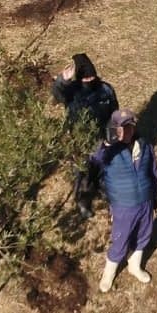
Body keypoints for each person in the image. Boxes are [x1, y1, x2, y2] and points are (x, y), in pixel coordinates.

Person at [87, 109, 157, 293]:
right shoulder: (107, 150)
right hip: (123, 205)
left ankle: (135, 265)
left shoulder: (144, 144)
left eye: (129, 127)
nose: (126, 131)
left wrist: (155, 196)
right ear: (114, 128)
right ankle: (108, 274)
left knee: (144, 234)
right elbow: (93, 165)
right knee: (121, 238)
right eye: (121, 128)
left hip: (145, 201)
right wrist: (107, 144)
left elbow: (154, 172)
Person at [51, 53, 119, 217]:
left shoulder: (105, 89)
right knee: (83, 173)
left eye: (92, 77)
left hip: (102, 139)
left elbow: (114, 113)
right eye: (86, 79)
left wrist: (113, 136)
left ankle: (104, 191)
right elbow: (57, 94)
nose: (89, 81)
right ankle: (83, 201)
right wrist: (62, 80)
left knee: (104, 169)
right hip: (80, 142)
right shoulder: (72, 91)